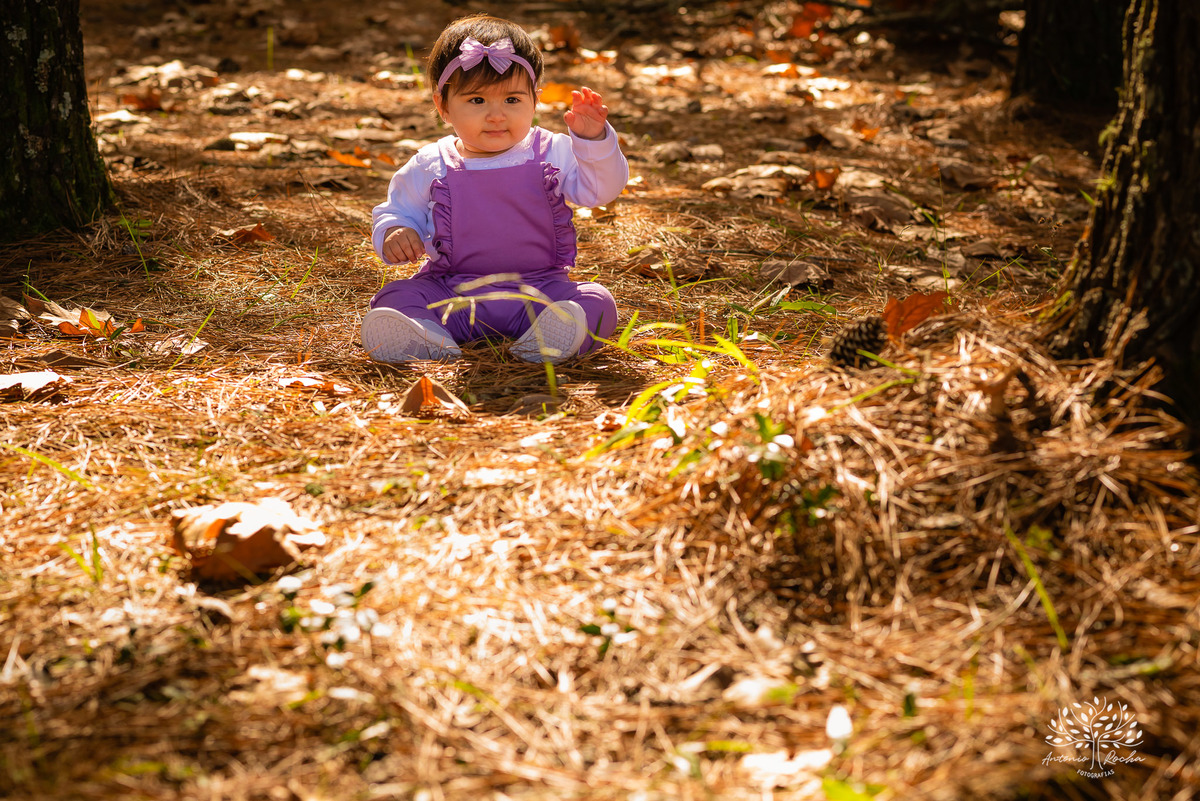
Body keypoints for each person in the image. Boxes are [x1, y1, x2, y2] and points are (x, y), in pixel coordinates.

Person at [362, 14, 629, 364]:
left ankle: (547, 338)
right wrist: (396, 230)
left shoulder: (553, 151)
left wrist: (593, 141)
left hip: (539, 290)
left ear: (535, 100)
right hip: (452, 292)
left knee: (595, 301)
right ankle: (430, 338)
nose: (496, 115)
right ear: (443, 105)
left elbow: (601, 190)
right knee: (396, 296)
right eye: (477, 101)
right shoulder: (431, 163)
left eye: (512, 100)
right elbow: (397, 209)